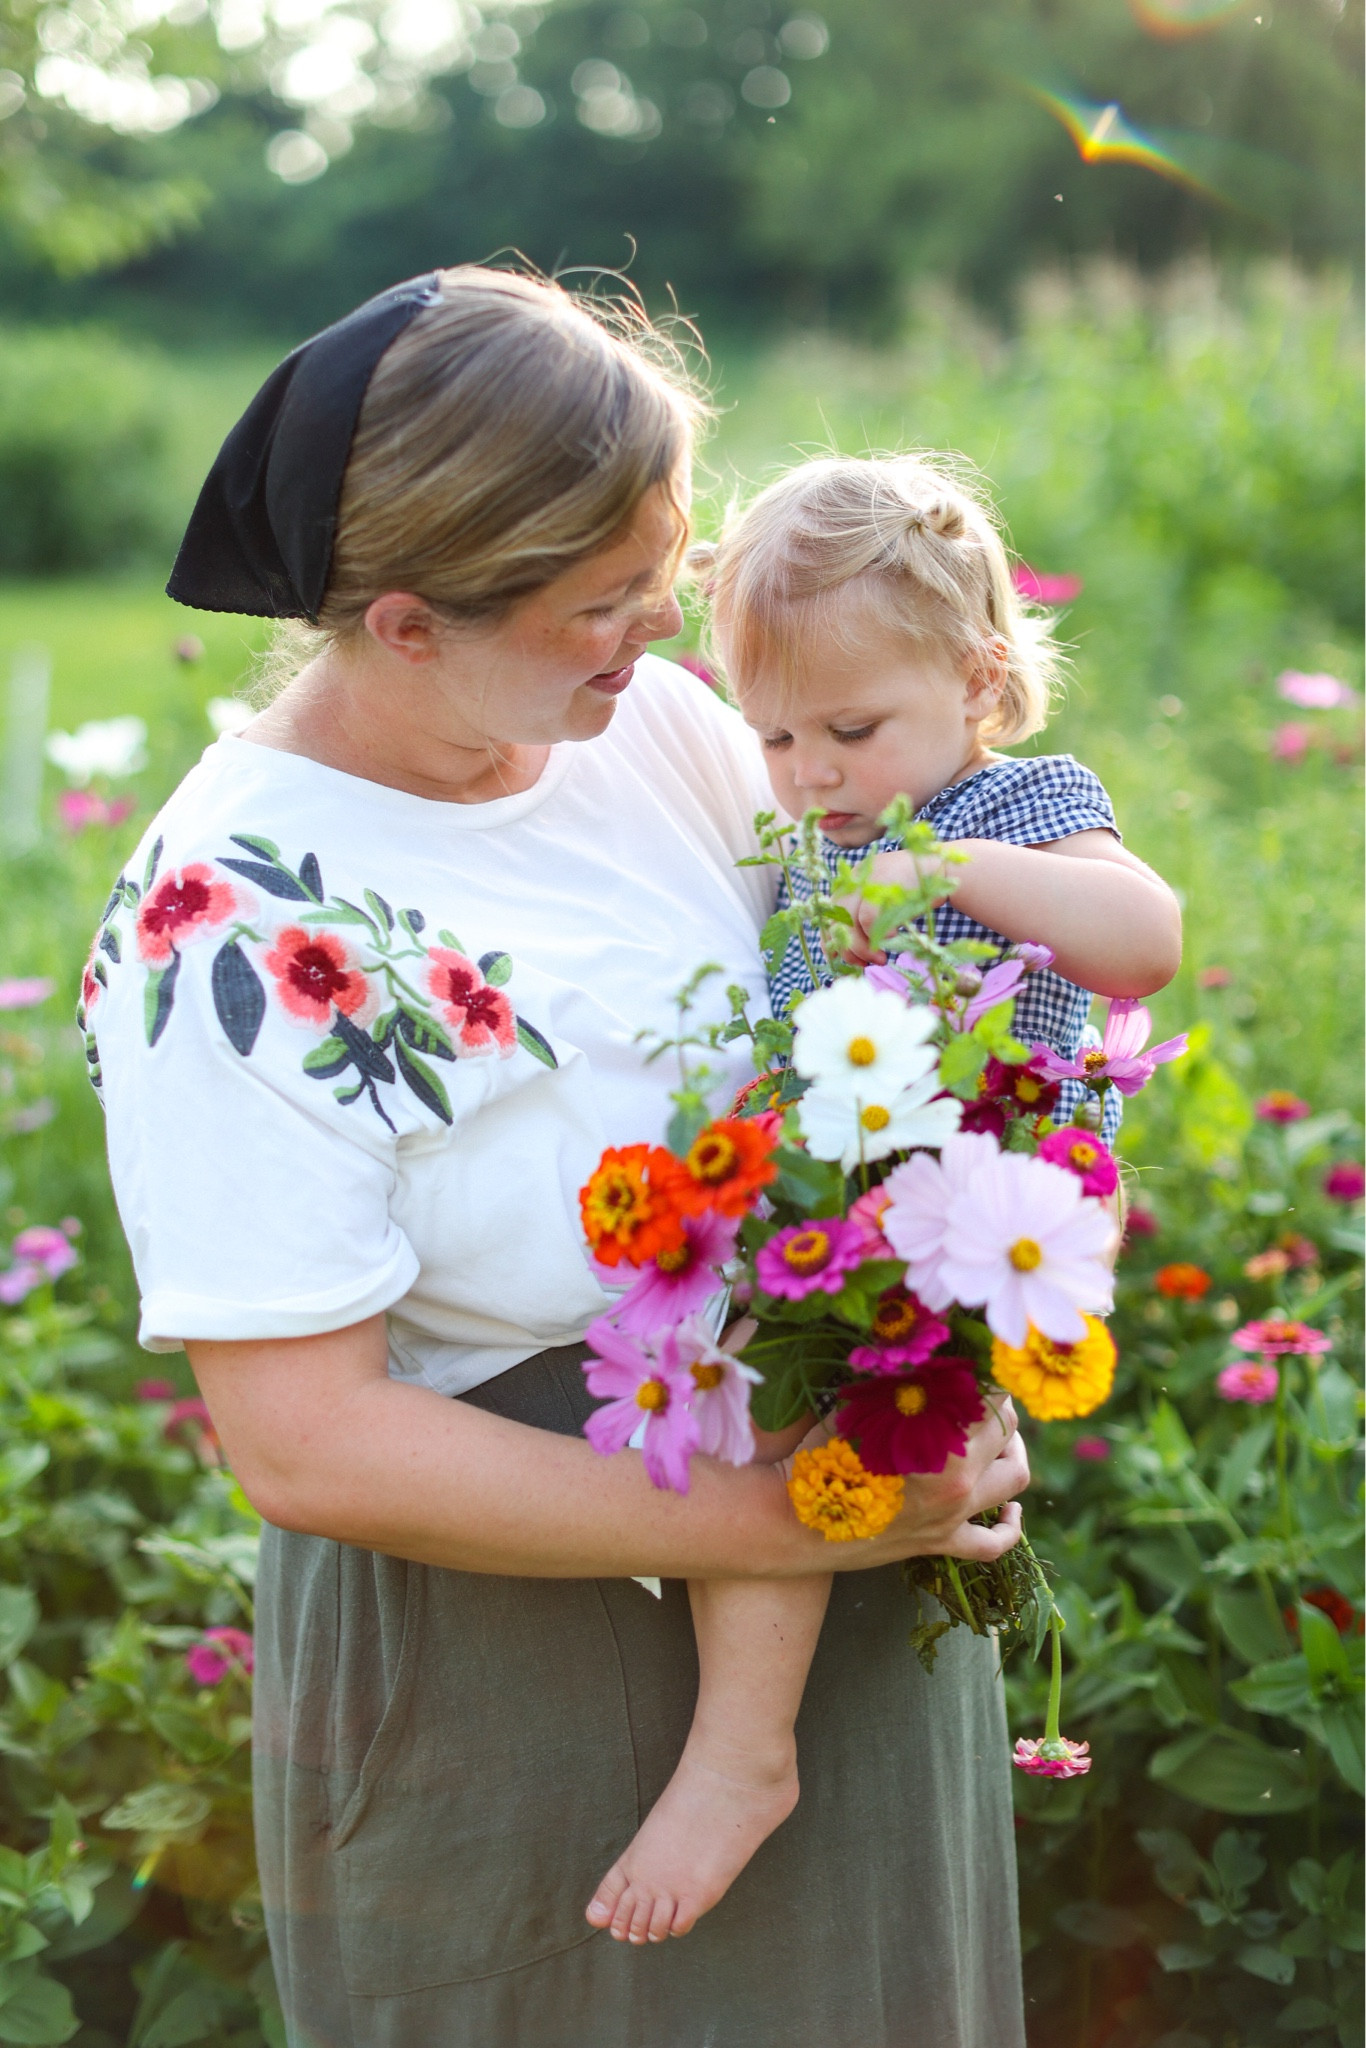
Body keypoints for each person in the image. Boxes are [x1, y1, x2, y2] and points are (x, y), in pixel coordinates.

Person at [85, 271, 1033, 2048]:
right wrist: (785, 1519)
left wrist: (948, 1306)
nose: (660, 626)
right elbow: (304, 1442)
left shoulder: (656, 729)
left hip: (825, 1532)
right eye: (602, 601)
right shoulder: (230, 921)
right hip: (514, 1640)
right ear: (406, 622)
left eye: (658, 568)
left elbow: (862, 1027)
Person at [585, 454, 1182, 1947]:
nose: (809, 774)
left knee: (856, 1418)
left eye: (849, 729)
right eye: (774, 733)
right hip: (847, 1205)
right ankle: (754, 1740)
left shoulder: (1016, 801)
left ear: (978, 680)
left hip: (1003, 1194)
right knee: (771, 1414)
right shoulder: (804, 839)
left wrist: (952, 870)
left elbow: (1142, 941)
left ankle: (741, 1753)